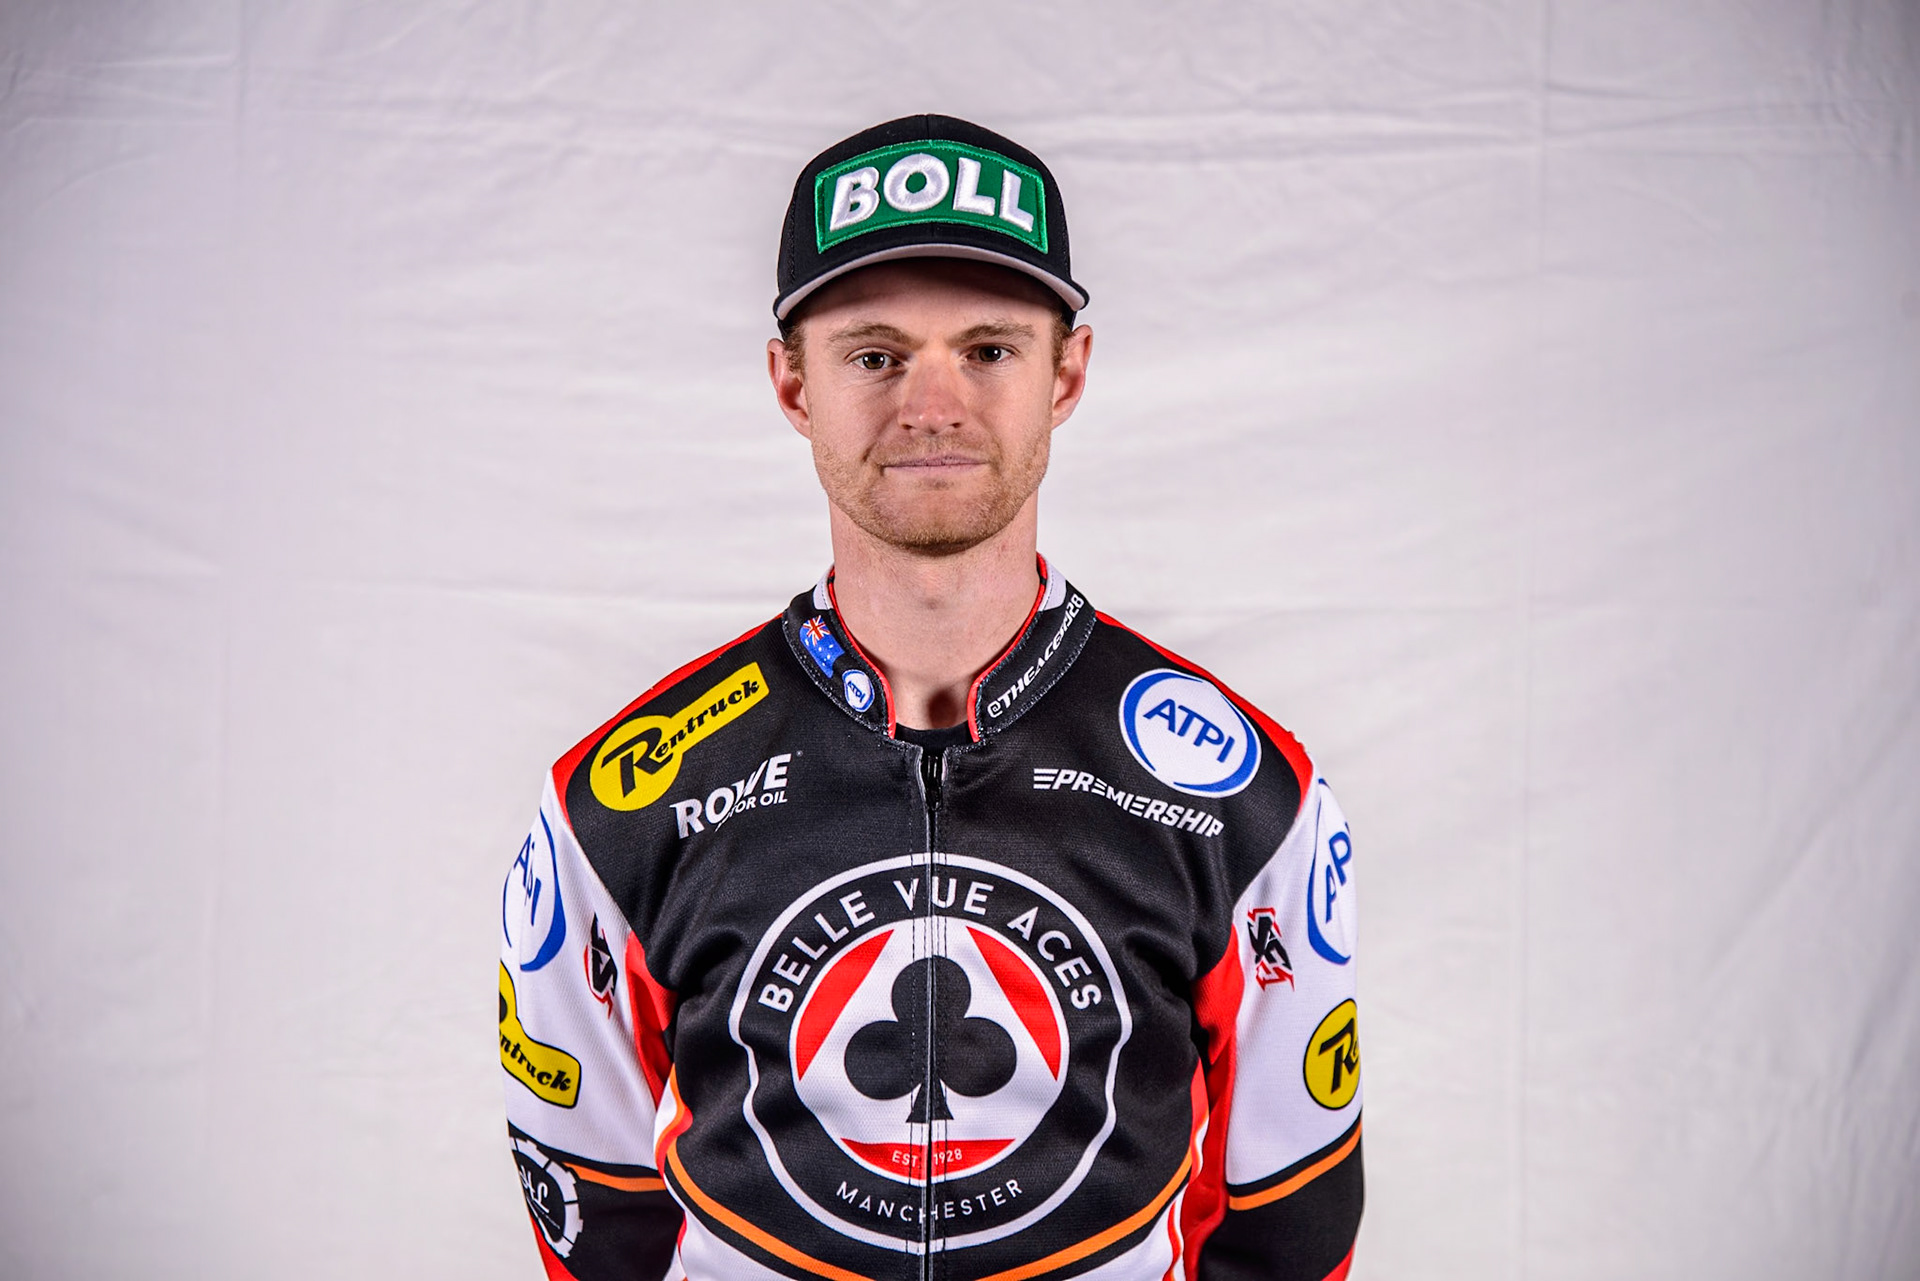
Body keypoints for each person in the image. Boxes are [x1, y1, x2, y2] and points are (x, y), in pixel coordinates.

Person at [499, 114, 1363, 1281]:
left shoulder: (1252, 801)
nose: (933, 403)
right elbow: (594, 1217)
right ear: (791, 383)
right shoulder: (614, 808)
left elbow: (1286, 1220)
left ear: (1068, 373)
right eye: (874, 354)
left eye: (990, 349)